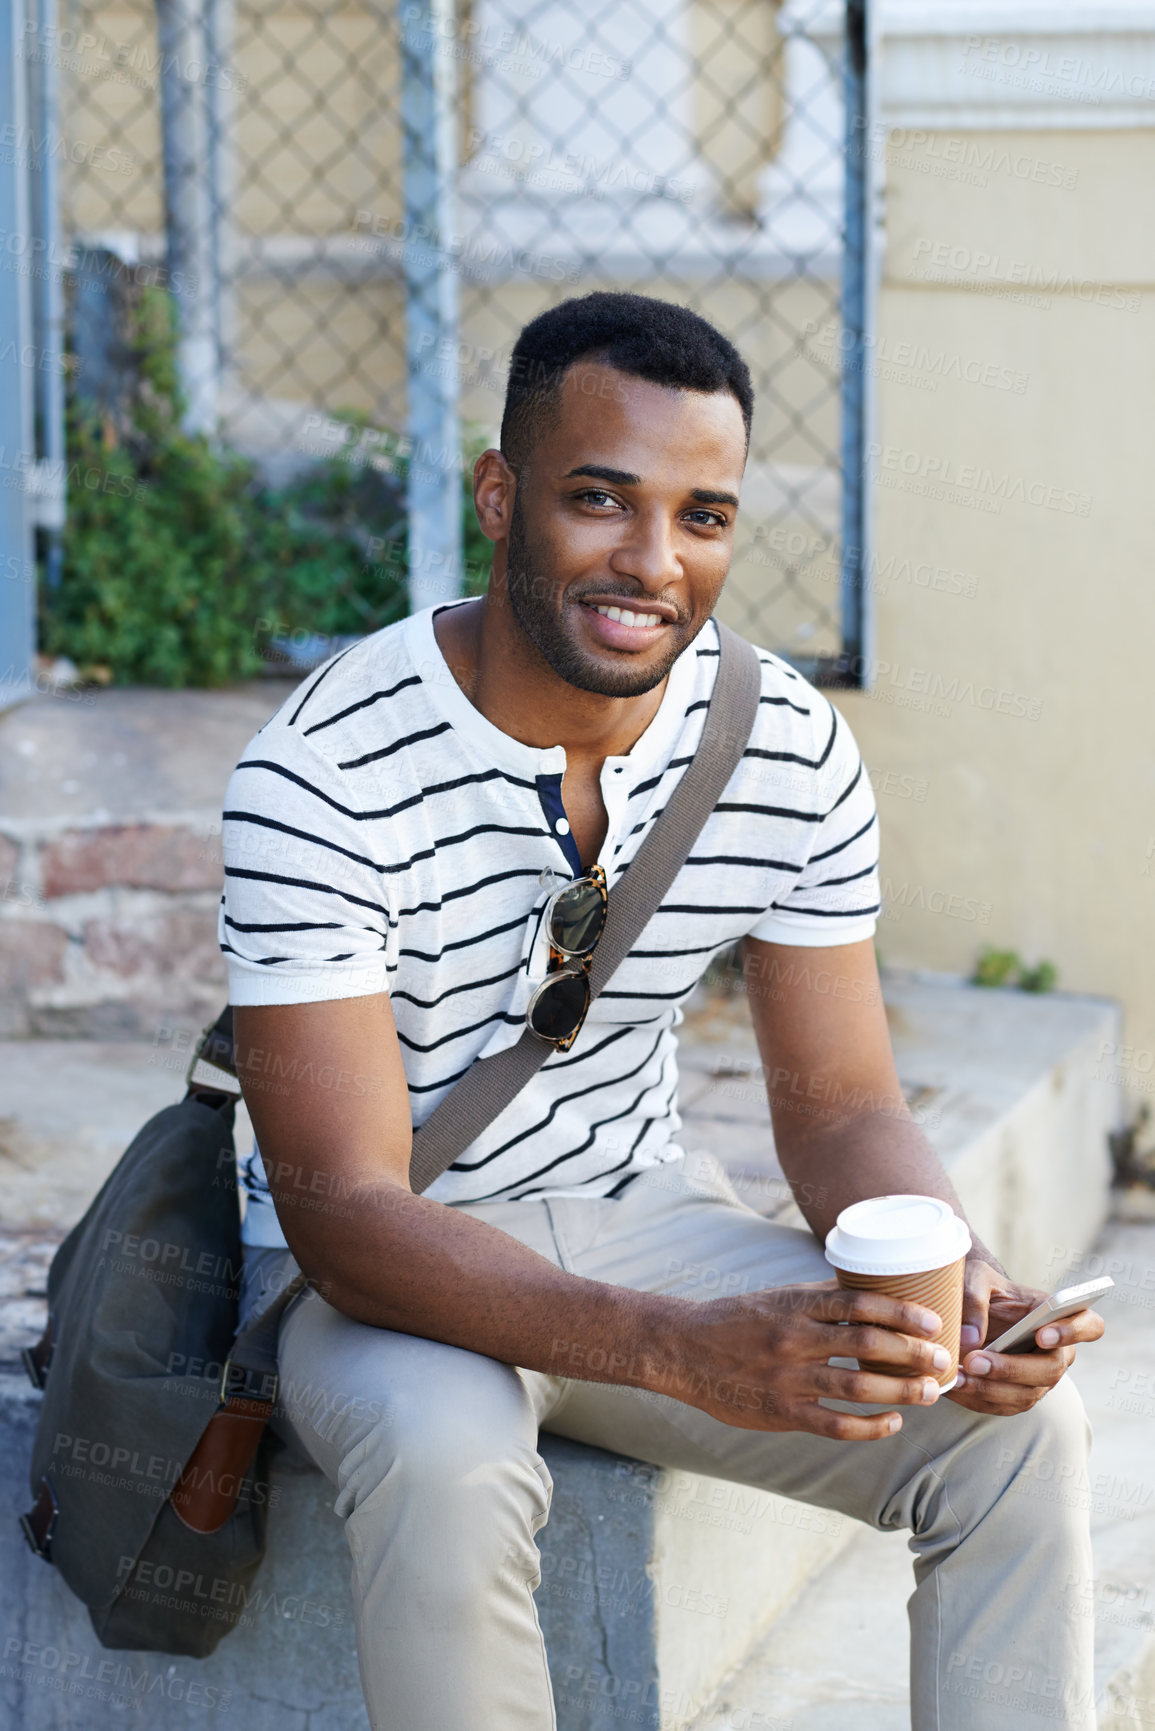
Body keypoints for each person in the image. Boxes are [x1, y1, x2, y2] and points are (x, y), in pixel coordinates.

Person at [220, 291, 1104, 1731]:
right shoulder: (322, 777)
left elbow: (845, 1111)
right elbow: (343, 1212)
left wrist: (955, 1283)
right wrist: (676, 1351)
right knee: (447, 1468)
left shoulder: (784, 742)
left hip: (630, 1206)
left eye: (703, 517)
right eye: (600, 501)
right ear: (502, 498)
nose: (653, 563)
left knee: (1015, 1438)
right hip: (385, 1274)